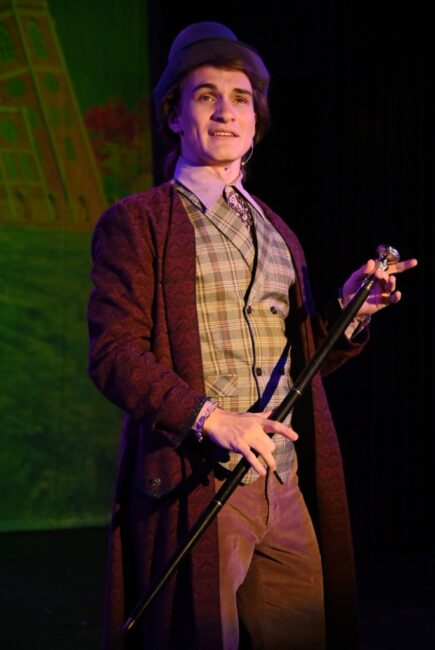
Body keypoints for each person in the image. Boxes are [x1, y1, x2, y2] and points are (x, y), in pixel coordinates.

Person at [88, 21, 417, 650]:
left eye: (240, 98)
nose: (225, 111)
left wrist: (352, 311)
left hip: (282, 482)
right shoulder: (139, 222)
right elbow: (114, 355)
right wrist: (210, 417)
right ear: (175, 116)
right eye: (205, 95)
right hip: (198, 483)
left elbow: (299, 358)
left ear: (256, 121)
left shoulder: (278, 231)